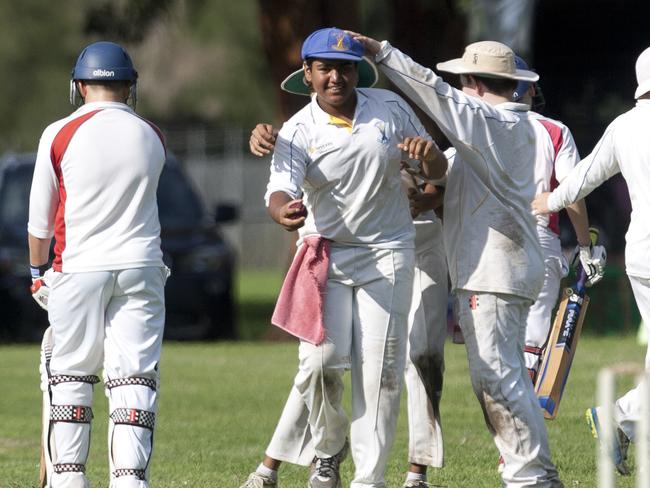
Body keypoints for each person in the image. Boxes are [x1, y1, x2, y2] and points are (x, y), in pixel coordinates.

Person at [350, 33, 570, 486]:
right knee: (506, 375)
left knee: (496, 379)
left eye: (464, 82)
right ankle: (535, 475)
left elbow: (432, 90)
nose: (461, 89)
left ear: (474, 82)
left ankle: (529, 477)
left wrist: (382, 51)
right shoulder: (511, 126)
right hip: (507, 266)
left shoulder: (491, 122)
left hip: (494, 270)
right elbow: (450, 185)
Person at [239, 27, 447, 488]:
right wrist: (283, 212)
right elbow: (279, 190)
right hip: (325, 256)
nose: (336, 77)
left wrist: (428, 157)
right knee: (320, 362)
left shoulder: (389, 108)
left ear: (358, 71)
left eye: (346, 67)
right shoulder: (298, 129)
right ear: (308, 74)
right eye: (325, 68)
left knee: (382, 373)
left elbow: (437, 171)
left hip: (388, 252)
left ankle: (367, 480)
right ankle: (328, 451)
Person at [29, 41, 168, 488]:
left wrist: (36, 275)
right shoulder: (153, 135)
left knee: (70, 375)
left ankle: (69, 480)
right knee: (134, 381)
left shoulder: (58, 133)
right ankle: (130, 480)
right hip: (143, 266)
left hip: (79, 267)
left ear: (79, 86)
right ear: (131, 88)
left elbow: (39, 223)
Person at [532, 45, 650, 477]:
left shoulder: (623, 126)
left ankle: (622, 420)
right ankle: (619, 416)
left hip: (641, 253)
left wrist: (549, 200)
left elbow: (581, 178)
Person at [510, 55, 600, 383]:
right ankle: (519, 427)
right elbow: (571, 191)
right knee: (530, 343)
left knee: (496, 348)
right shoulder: (554, 130)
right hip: (537, 240)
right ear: (529, 89)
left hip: (485, 243)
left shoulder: (476, 125)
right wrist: (583, 245)